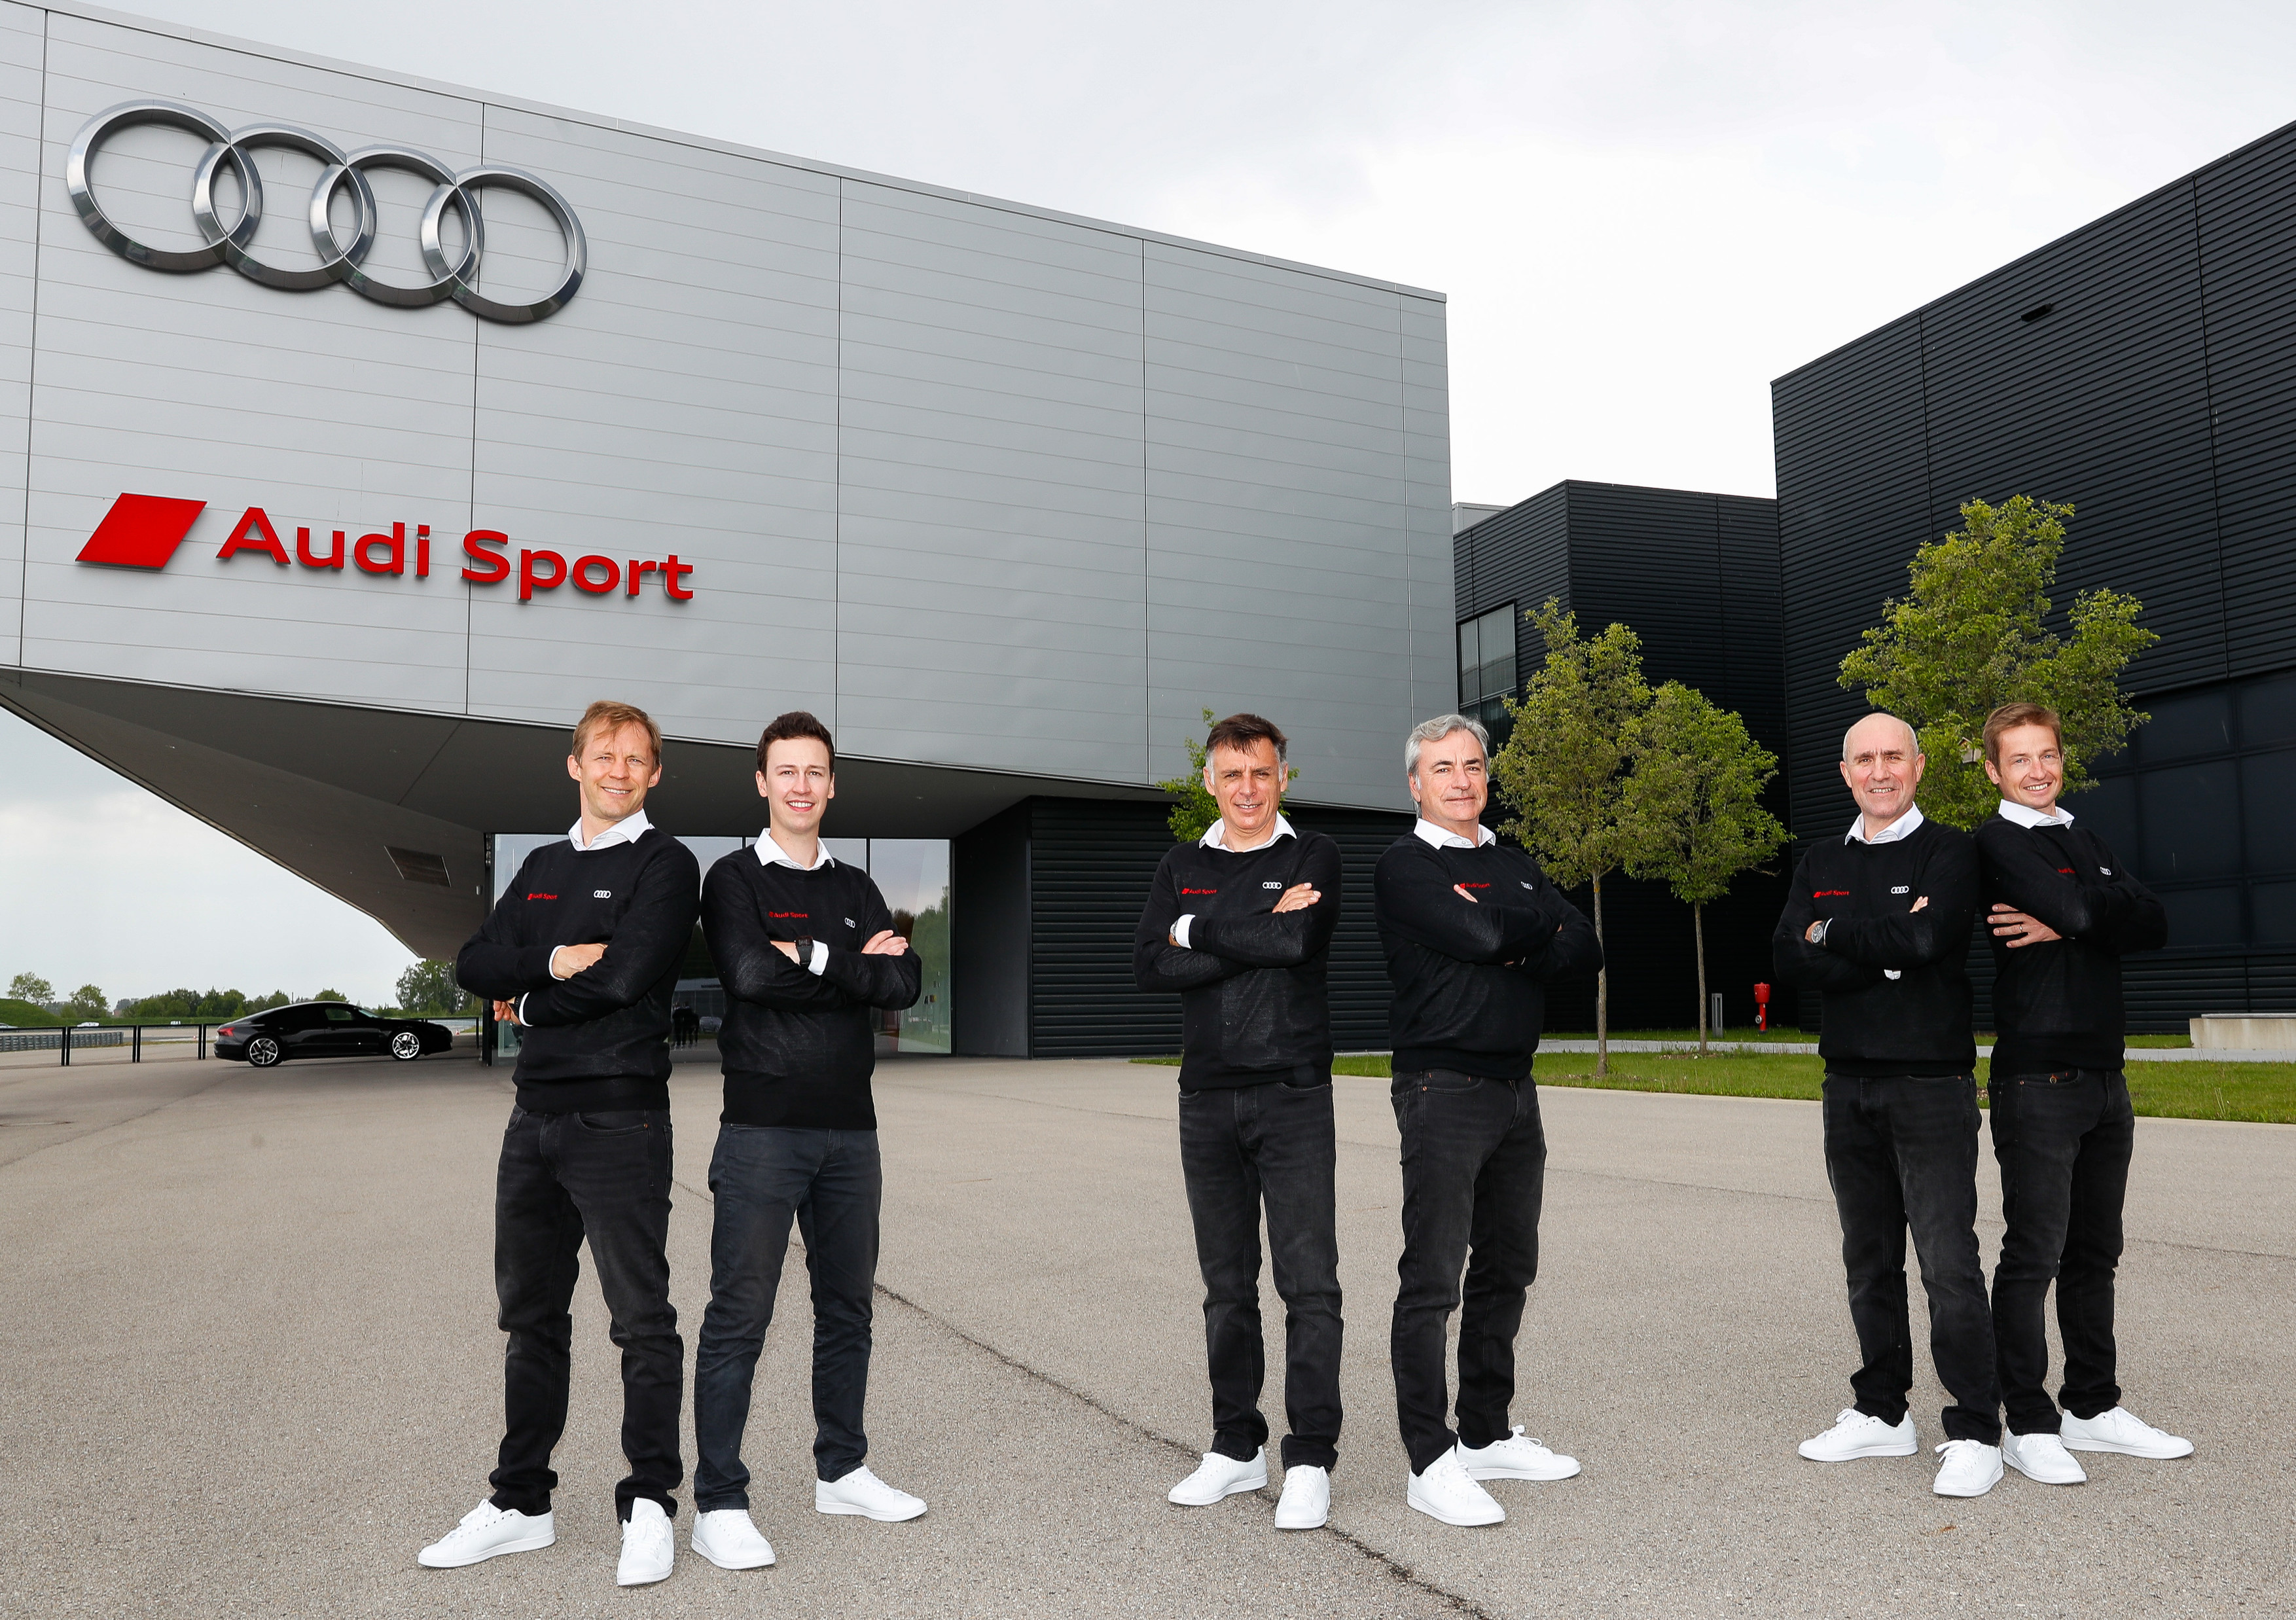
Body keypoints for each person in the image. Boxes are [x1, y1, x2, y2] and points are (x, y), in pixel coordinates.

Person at [425, 701, 700, 1586]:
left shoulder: (667, 863)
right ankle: (520, 1503)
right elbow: (473, 963)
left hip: (620, 1118)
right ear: (574, 765)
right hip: (531, 1121)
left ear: (654, 774)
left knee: (641, 1320)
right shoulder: (542, 866)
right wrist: (551, 959)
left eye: (637, 758)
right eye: (604, 755)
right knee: (529, 1318)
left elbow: (625, 977)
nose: (620, 770)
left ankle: (650, 1502)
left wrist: (533, 1002)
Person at [688, 710, 925, 1572]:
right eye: (785, 771)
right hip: (762, 1130)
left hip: (851, 1133)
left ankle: (842, 1469)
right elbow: (750, 973)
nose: (800, 785)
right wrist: (854, 968)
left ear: (831, 784)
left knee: (848, 1309)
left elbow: (904, 980)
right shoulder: (733, 878)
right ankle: (718, 1502)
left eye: (814, 771)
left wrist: (814, 956)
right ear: (763, 782)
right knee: (739, 1317)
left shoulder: (855, 886)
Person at [1374, 714, 1600, 1527]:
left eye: (1472, 765)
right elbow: (1480, 932)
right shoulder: (1405, 866)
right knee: (1433, 1279)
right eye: (1443, 769)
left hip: (1514, 1090)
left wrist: (1506, 932)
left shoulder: (1512, 862)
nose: (1461, 781)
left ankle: (1484, 1432)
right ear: (1415, 784)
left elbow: (1586, 945)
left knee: (1507, 1268)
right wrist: (1517, 928)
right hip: (1442, 1089)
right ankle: (1428, 1460)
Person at [1775, 711, 2002, 1498]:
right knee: (1868, 1260)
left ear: (1919, 765)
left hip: (1930, 1087)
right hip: (1847, 1087)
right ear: (1845, 773)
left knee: (1947, 1263)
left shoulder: (1950, 851)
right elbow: (1787, 957)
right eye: (1864, 760)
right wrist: (1880, 949)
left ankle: (1975, 1429)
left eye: (1893, 757)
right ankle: (1881, 1411)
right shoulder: (1820, 858)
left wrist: (1830, 932)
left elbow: (1926, 941)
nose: (1879, 772)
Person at [1133, 713, 1346, 1531]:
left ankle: (1311, 1458)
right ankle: (1235, 1446)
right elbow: (1149, 964)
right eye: (1232, 775)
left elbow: (1295, 944)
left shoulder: (1312, 854)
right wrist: (1253, 928)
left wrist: (1196, 930)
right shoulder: (1180, 864)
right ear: (1210, 782)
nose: (1247, 789)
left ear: (1282, 776)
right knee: (1226, 1288)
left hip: (1293, 1095)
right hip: (1206, 1100)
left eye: (1261, 773)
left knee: (1308, 1285)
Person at [1975, 700, 2187, 1483]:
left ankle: (2092, 1407)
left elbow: (2154, 922)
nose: (2038, 771)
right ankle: (2026, 1422)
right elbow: (2088, 909)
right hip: (2038, 1079)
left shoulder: (2083, 837)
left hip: (2104, 1078)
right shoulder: (1997, 841)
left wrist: (2070, 923)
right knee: (2033, 1252)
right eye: (2020, 759)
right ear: (1993, 770)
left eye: (2048, 755)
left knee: (2095, 1252)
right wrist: (2084, 916)